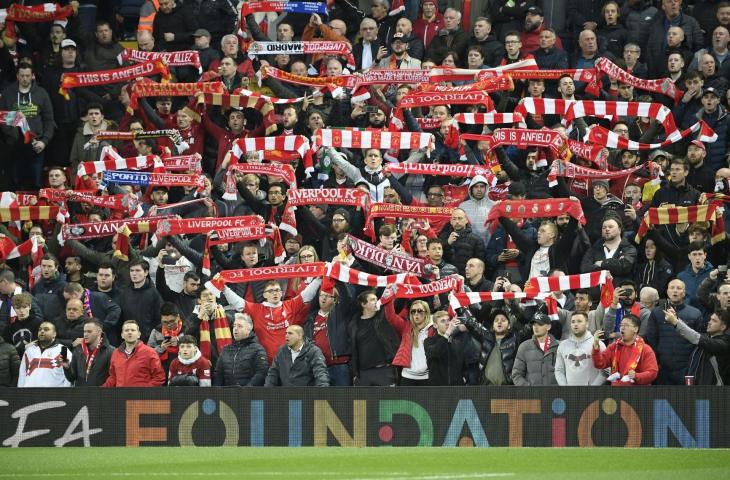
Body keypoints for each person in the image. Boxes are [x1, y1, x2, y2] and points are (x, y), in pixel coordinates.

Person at [645, 279, 705, 385]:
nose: (675, 291)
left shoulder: (695, 313)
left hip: (687, 368)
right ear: (667, 292)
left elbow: (699, 342)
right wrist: (655, 363)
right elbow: (651, 339)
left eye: (679, 288)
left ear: (684, 292)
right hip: (662, 368)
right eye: (672, 288)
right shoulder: (656, 312)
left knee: (685, 399)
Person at [664, 308, 730, 385]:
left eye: (714, 321)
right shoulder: (706, 339)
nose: (709, 322)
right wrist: (676, 318)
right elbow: (693, 334)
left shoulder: (723, 344)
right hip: (694, 388)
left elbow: (695, 337)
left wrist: (676, 322)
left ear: (723, 327)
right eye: (710, 319)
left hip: (713, 392)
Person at [349, 289, 400, 386]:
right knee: (366, 402)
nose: (376, 301)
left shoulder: (384, 317)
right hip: (363, 373)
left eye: (376, 299)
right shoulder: (354, 324)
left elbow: (396, 304)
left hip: (384, 371)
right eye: (372, 299)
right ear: (363, 304)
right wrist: (355, 373)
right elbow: (353, 350)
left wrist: (391, 292)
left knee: (388, 401)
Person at [592, 314, 659, 386]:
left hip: (638, 393)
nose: (622, 328)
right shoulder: (614, 347)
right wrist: (596, 347)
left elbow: (652, 372)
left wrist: (636, 376)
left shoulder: (646, 349)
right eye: (621, 325)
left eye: (626, 325)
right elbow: (599, 364)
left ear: (636, 329)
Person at [384, 297, 437, 386]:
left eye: (419, 311)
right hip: (407, 377)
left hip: (427, 377)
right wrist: (389, 298)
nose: (416, 314)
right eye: (413, 311)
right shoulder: (405, 327)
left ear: (426, 313)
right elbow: (391, 317)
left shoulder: (434, 328)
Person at [102, 320, 166, 387]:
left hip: (142, 396)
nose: (130, 332)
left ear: (139, 334)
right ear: (122, 335)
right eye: (126, 330)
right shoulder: (115, 353)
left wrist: (144, 392)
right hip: (121, 396)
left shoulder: (150, 352)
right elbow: (113, 377)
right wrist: (99, 391)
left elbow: (159, 377)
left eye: (133, 330)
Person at [213, 313, 269, 386]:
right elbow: (218, 374)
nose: (235, 328)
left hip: (249, 394)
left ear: (248, 330)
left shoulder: (257, 349)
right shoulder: (225, 350)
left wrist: (246, 390)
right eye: (234, 326)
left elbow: (261, 373)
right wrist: (218, 393)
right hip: (227, 394)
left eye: (240, 326)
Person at [264, 325, 330, 386]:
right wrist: (267, 392)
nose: (286, 336)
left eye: (290, 333)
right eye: (286, 333)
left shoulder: (313, 351)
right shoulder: (282, 351)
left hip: (306, 396)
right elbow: (273, 373)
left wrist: (322, 393)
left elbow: (321, 374)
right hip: (286, 395)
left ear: (300, 336)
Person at [555, 312, 607, 385]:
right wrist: (564, 388)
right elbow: (559, 370)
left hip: (592, 393)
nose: (575, 324)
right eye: (573, 322)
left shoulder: (598, 343)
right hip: (569, 393)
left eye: (579, 321)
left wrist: (593, 388)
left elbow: (605, 370)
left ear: (587, 324)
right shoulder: (562, 345)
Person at [512, 312, 559, 386]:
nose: (536, 327)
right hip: (533, 396)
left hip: (556, 395)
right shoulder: (524, 347)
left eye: (540, 324)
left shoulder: (559, 346)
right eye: (534, 324)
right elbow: (516, 374)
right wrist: (529, 390)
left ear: (548, 327)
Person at [18, 322, 70, 387]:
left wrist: (66, 393)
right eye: (40, 329)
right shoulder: (29, 351)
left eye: (46, 329)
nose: (42, 331)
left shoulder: (62, 350)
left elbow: (68, 376)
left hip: (54, 394)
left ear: (54, 334)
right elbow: (22, 373)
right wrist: (21, 391)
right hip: (30, 393)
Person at [62, 318, 112, 386]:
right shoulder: (78, 350)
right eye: (84, 331)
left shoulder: (111, 352)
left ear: (99, 332)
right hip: (81, 395)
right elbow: (71, 378)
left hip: (100, 395)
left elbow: (113, 377)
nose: (85, 334)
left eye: (89, 331)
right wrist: (67, 368)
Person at [424, 311, 466, 385]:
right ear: (435, 325)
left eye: (448, 320)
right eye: (443, 321)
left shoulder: (457, 343)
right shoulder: (429, 341)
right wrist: (448, 332)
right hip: (438, 390)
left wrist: (463, 378)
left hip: (457, 389)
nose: (447, 323)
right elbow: (435, 352)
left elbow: (463, 366)